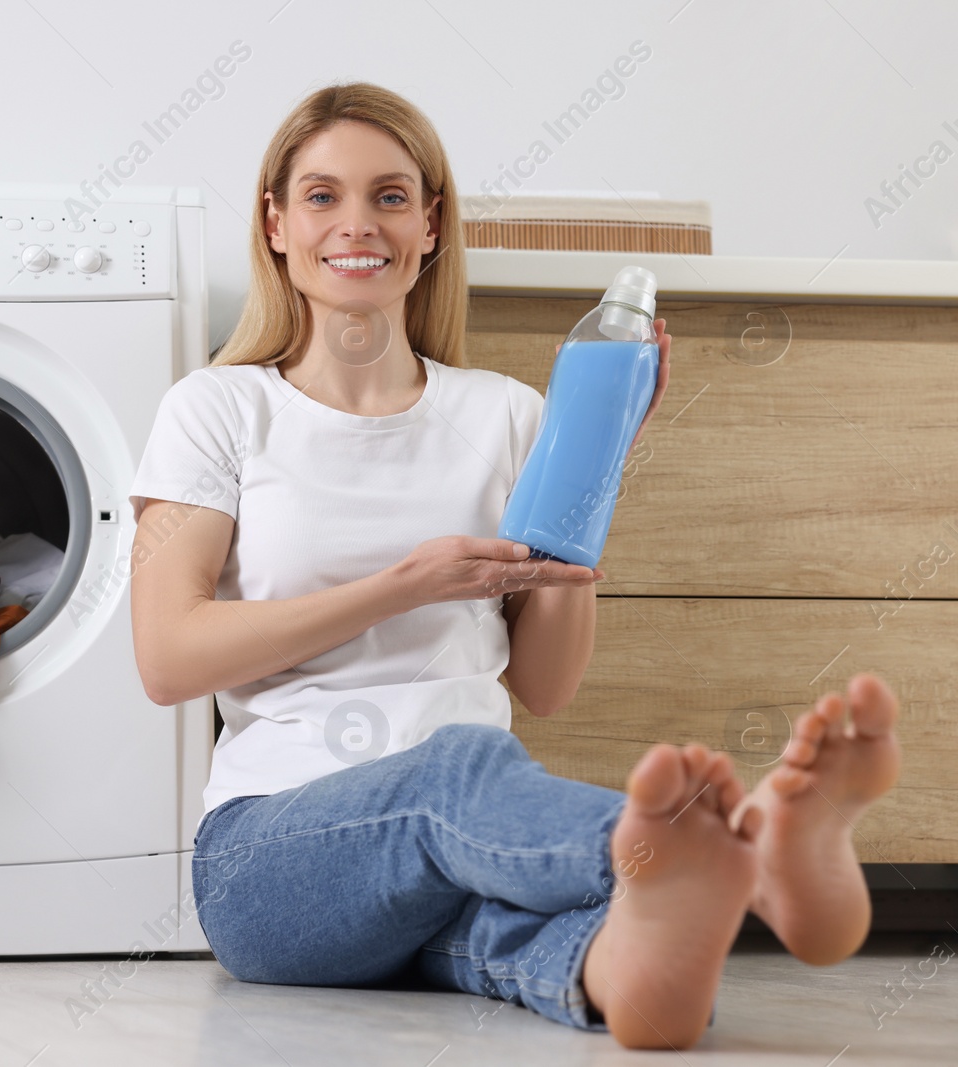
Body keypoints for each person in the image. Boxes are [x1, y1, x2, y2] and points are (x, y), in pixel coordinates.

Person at [125, 82, 902, 1051]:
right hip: (273, 860)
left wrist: (593, 469)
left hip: (465, 853)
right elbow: (166, 656)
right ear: (276, 224)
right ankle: (754, 860)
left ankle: (636, 970)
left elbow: (543, 684)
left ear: (432, 224)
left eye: (391, 196)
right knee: (453, 767)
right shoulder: (220, 408)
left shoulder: (506, 414)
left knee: (615, 937)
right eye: (322, 196)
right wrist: (400, 588)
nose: (357, 222)